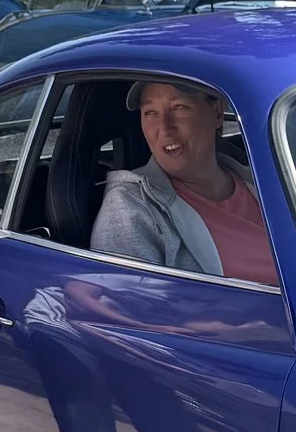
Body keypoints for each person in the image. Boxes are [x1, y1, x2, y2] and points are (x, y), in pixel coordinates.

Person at [89, 80, 277, 286]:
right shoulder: (131, 206)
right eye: (150, 112)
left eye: (179, 107)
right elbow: (131, 309)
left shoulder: (267, 184)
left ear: (217, 113)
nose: (164, 128)